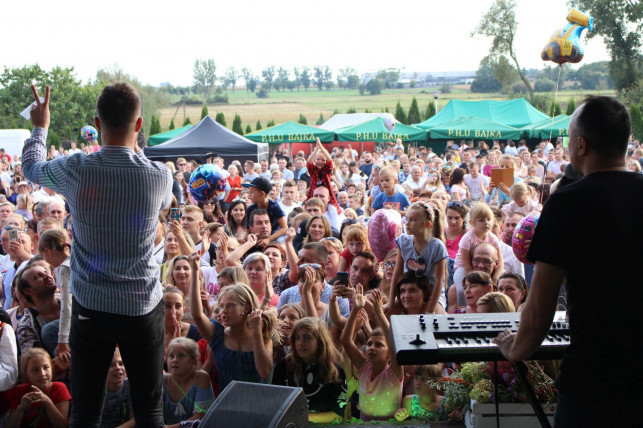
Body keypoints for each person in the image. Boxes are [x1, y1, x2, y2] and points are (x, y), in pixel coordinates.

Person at [22, 84, 173, 426]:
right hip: (142, 307)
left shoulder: (76, 168)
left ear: (97, 122)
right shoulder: (159, 176)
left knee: (86, 410)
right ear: (139, 125)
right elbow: (164, 208)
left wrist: (40, 124)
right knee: (149, 410)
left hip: (92, 309)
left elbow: (31, 168)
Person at [494, 97, 643, 426]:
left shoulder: (567, 203)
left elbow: (538, 311)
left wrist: (513, 349)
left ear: (580, 144)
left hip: (596, 383)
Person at [189, 253, 278, 391]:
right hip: (227, 404)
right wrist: (194, 272)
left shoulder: (262, 331)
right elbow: (197, 315)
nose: (223, 311)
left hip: (258, 404)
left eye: (230, 306)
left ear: (247, 307)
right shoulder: (217, 334)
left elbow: (264, 372)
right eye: (222, 306)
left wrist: (256, 332)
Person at [341, 287, 403, 421]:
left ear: (389, 352)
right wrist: (355, 309)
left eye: (379, 345)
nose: (371, 348)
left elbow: (394, 342)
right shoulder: (364, 368)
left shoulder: (395, 373)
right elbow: (346, 340)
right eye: (369, 344)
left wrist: (379, 313)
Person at [272, 317, 347, 424]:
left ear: (321, 341)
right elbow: (275, 403)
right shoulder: (284, 365)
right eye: (297, 337)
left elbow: (339, 414)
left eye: (307, 338)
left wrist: (304, 418)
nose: (300, 343)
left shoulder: (335, 372)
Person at [391, 202, 448, 313]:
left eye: (413, 220)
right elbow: (397, 273)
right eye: (406, 219)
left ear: (426, 224)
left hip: (432, 294)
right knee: (389, 312)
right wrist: (391, 301)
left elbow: (438, 282)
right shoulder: (403, 241)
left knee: (436, 316)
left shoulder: (437, 246)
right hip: (409, 289)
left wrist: (430, 309)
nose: (407, 223)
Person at [6, 348, 70, 428]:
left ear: (52, 368)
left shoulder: (59, 388)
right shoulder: (20, 391)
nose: (42, 374)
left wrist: (47, 402)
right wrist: (20, 409)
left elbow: (62, 426)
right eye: (35, 370)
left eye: (46, 367)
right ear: (26, 374)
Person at [162, 337, 214, 426]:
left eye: (181, 355)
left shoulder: (200, 378)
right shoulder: (163, 380)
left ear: (193, 362)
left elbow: (200, 417)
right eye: (171, 356)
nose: (174, 360)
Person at [243, 177, 287, 247]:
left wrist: (269, 239)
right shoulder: (250, 209)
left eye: (252, 192)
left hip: (274, 237)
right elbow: (247, 230)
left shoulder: (274, 206)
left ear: (262, 194)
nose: (249, 195)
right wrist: (243, 241)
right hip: (258, 236)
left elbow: (284, 228)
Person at [99, 349, 134, 428]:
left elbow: (135, 420)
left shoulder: (130, 386)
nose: (118, 368)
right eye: (111, 365)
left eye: (121, 364)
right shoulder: (94, 389)